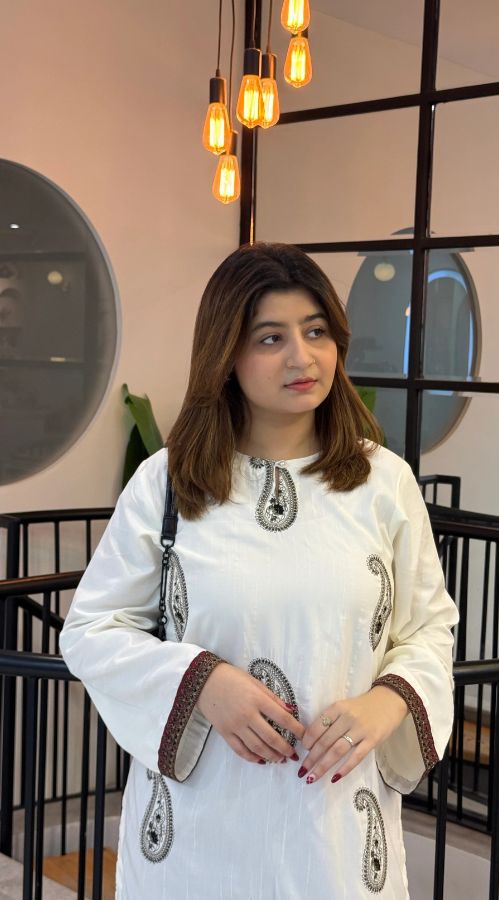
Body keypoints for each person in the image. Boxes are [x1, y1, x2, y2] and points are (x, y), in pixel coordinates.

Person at [59, 242, 459, 899]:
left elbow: (429, 628)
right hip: (198, 837)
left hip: (337, 833)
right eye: (270, 338)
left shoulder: (384, 482)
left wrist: (388, 703)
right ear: (226, 355)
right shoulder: (167, 484)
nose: (302, 358)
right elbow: (91, 630)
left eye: (316, 331)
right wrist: (202, 682)